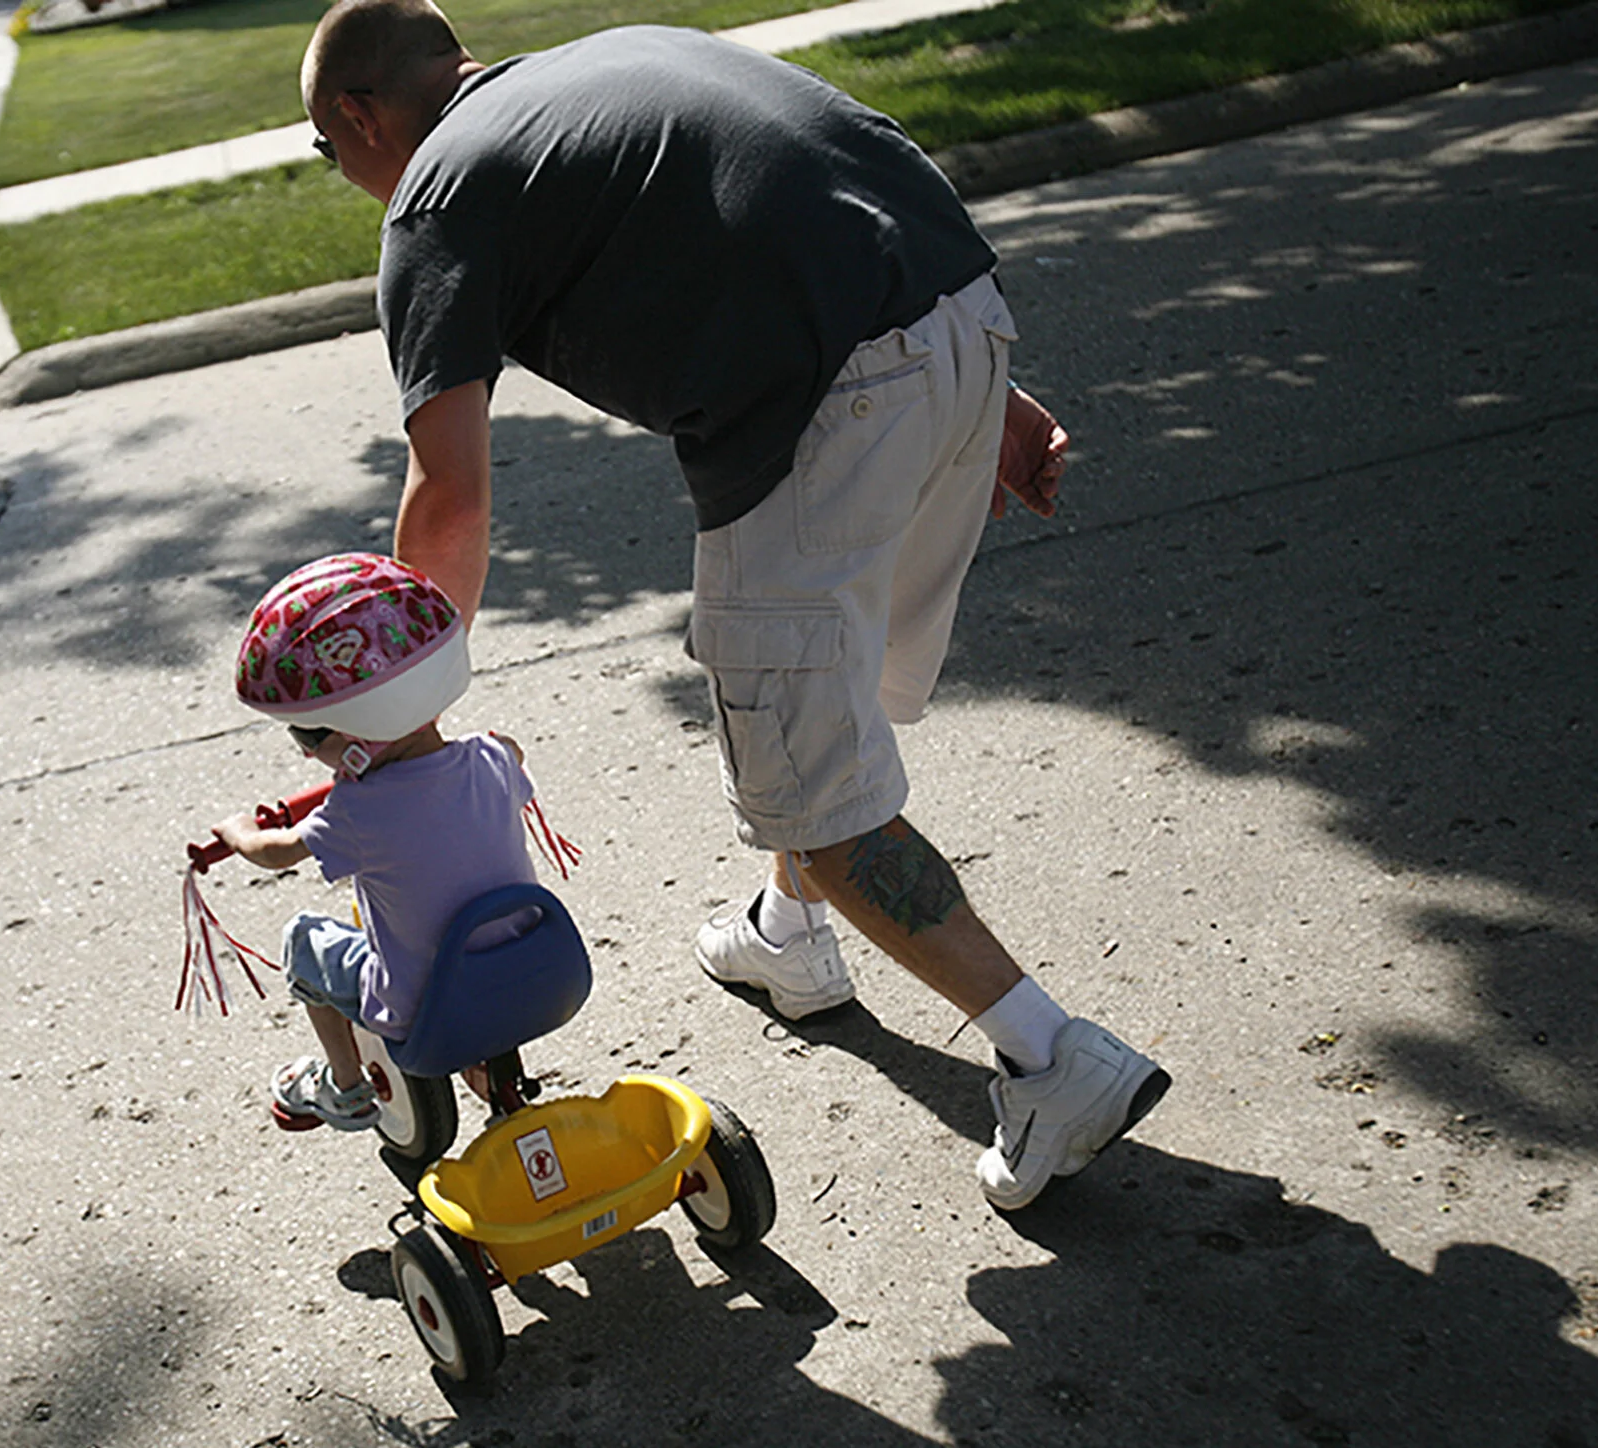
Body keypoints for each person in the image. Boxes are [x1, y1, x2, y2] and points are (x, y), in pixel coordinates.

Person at [300, 0, 1168, 1207]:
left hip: (828, 398)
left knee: (817, 795)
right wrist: (981, 394)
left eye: (324, 151)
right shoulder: (613, 61)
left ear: (357, 112)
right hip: (953, 322)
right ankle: (787, 934)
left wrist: (392, 724)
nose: (339, 174)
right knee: (826, 701)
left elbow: (447, 493)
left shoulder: (436, 192)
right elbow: (816, 169)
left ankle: (1050, 1055)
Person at [211, 551, 538, 1130]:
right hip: (539, 975)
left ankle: (345, 1087)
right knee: (468, 923)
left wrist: (239, 833)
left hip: (425, 1008)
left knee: (306, 940)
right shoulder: (490, 761)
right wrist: (499, 749)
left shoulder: (358, 812)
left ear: (353, 731)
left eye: (307, 735)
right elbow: (512, 750)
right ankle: (494, 1076)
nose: (308, 751)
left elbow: (278, 853)